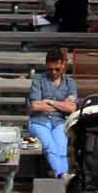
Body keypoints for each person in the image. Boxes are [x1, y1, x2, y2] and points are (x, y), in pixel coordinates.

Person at [24, 49, 78, 179]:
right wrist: (61, 105)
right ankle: (62, 174)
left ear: (63, 65)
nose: (53, 72)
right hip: (39, 121)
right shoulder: (38, 80)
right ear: (46, 65)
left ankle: (61, 175)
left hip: (59, 121)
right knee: (50, 145)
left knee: (61, 146)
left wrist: (49, 102)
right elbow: (35, 105)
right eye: (50, 69)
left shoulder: (70, 83)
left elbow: (72, 108)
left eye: (57, 69)